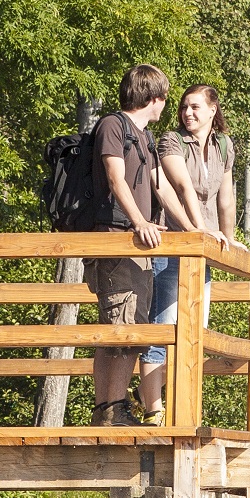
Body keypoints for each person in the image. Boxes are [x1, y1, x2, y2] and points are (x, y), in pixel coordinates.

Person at [142, 84, 239, 417]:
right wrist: (200, 231)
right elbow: (181, 187)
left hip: (202, 249)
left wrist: (228, 237)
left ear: (213, 110)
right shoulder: (171, 140)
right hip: (171, 243)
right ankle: (154, 410)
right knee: (164, 328)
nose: (187, 113)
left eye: (196, 107)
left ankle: (183, 409)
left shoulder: (224, 145)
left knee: (195, 330)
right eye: (184, 107)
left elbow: (225, 197)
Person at [90, 64, 171, 426]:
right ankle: (112, 410)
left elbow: (162, 188)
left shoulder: (146, 137)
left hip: (137, 244)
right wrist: (139, 222)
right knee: (122, 329)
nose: (164, 107)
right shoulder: (113, 125)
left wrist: (197, 230)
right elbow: (114, 177)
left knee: (126, 328)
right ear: (154, 99)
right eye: (163, 100)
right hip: (117, 238)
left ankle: (111, 409)